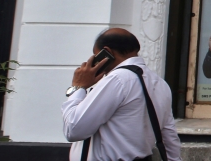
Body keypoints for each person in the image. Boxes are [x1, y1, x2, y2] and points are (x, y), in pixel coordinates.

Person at [62, 28, 182, 161]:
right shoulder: (159, 83)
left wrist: (78, 87)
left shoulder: (117, 79)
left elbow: (74, 130)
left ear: (106, 52)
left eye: (96, 55)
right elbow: (169, 136)